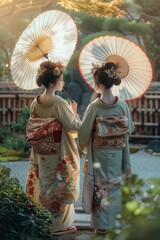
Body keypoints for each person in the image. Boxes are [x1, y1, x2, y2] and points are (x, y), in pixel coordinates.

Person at [78, 62, 135, 235]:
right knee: (116, 184)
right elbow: (130, 128)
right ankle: (116, 222)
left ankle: (101, 225)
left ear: (101, 85)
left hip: (100, 154)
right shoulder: (122, 105)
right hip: (118, 152)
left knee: (100, 186)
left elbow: (83, 133)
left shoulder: (95, 106)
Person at [26, 61, 80, 235]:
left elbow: (34, 126)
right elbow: (73, 126)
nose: (62, 83)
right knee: (60, 185)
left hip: (42, 151)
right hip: (57, 151)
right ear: (52, 83)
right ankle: (59, 226)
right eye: (61, 79)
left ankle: (45, 220)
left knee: (45, 183)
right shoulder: (58, 102)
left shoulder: (36, 101)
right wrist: (74, 110)